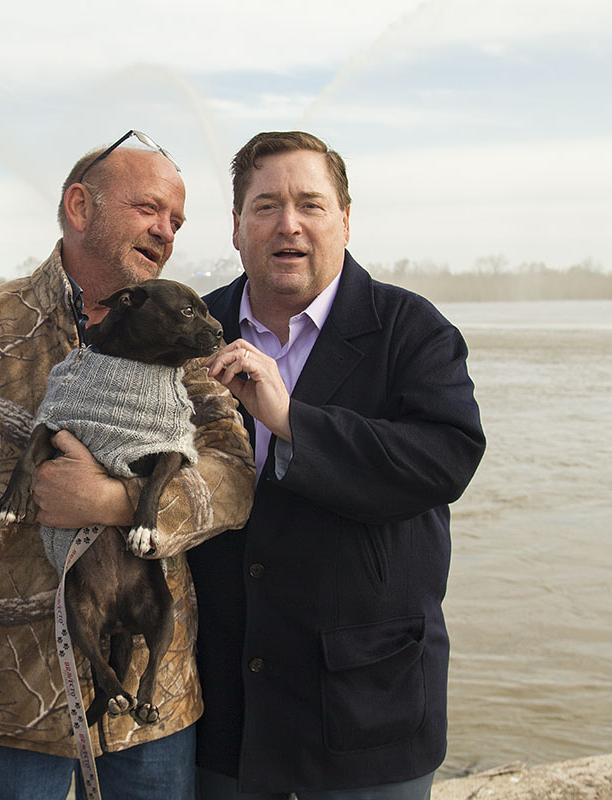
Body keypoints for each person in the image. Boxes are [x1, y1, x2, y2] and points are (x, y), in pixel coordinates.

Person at [0, 132, 255, 799]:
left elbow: (234, 482)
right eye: (149, 208)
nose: (166, 230)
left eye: (176, 220)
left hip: (154, 711)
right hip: (5, 706)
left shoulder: (186, 342)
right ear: (79, 206)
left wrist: (116, 501)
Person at [191, 130, 486, 799]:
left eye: (310, 205)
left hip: (367, 718)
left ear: (345, 221)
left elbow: (445, 460)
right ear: (236, 229)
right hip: (222, 715)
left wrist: (290, 419)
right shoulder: (193, 333)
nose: (287, 224)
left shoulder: (412, 331)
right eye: (265, 206)